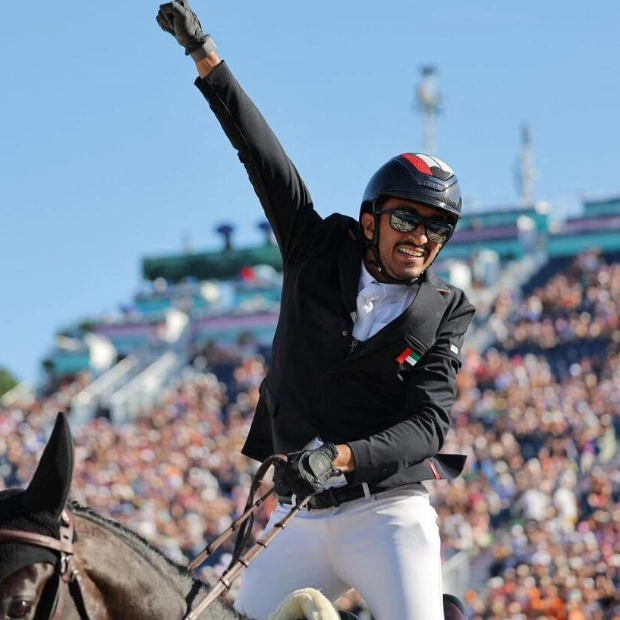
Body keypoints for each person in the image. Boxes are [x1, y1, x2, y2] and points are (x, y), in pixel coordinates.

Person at [156, 3, 475, 618]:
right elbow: (262, 156)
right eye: (407, 217)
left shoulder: (447, 309)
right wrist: (204, 56)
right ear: (370, 219)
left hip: (387, 512)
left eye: (438, 228)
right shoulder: (314, 244)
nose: (420, 236)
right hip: (300, 516)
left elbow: (428, 426)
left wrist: (341, 455)